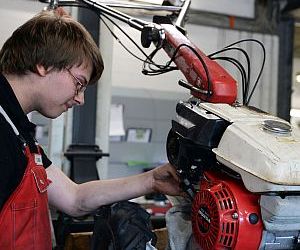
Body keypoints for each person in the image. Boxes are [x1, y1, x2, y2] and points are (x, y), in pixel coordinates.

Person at [0, 8, 182, 249]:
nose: (80, 99)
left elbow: (75, 198)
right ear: (43, 65)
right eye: (79, 84)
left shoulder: (18, 133)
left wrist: (152, 181)